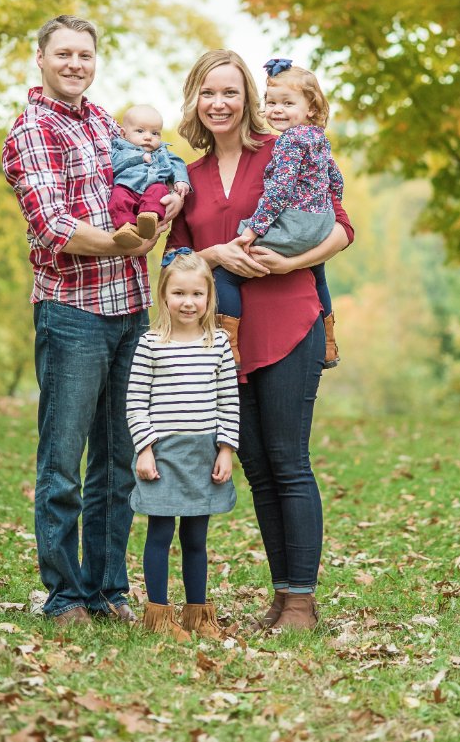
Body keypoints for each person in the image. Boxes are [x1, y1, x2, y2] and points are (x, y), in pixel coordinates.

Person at [1, 15, 184, 628]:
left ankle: (108, 590)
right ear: (41, 58)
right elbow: (50, 225)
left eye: (84, 54)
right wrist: (122, 244)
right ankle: (64, 595)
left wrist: (170, 198)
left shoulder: (107, 122)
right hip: (73, 314)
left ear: (95, 61)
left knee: (118, 459)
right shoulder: (32, 129)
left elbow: (150, 175)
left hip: (130, 312)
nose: (75, 64)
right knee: (62, 461)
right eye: (63, 54)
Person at [168, 49, 354, 631]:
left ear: (249, 99)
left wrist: (284, 263)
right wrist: (210, 255)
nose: (219, 103)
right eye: (207, 92)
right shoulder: (185, 176)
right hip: (223, 342)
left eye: (230, 92)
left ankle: (302, 601)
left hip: (289, 321)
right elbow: (173, 256)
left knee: (288, 461)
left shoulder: (285, 148)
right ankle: (282, 593)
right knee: (255, 465)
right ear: (195, 100)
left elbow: (342, 227)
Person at [126, 250, 239, 642]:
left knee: (195, 538)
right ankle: (158, 615)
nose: (187, 302)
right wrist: (144, 448)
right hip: (163, 454)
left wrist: (226, 448)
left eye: (196, 294)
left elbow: (228, 402)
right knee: (159, 532)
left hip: (202, 455)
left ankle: (198, 615)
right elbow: (136, 401)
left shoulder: (218, 344)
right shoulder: (151, 344)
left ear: (209, 297)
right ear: (164, 295)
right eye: (178, 293)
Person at [213, 57, 344, 370]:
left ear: (310, 107)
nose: (277, 110)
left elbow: (278, 193)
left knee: (224, 274)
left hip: (297, 222)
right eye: (271, 102)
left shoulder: (288, 142)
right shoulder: (318, 137)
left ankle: (228, 347)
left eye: (287, 103)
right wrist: (328, 205)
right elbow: (334, 177)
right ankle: (329, 344)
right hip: (321, 219)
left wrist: (252, 231)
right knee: (318, 270)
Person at [109, 104, 191, 249]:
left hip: (152, 186)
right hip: (127, 186)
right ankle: (126, 228)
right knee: (118, 197)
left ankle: (148, 218)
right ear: (124, 134)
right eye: (140, 131)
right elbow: (115, 165)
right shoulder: (119, 148)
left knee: (159, 190)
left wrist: (181, 180)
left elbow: (177, 163)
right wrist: (139, 157)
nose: (148, 137)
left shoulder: (161, 151)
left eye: (155, 133)